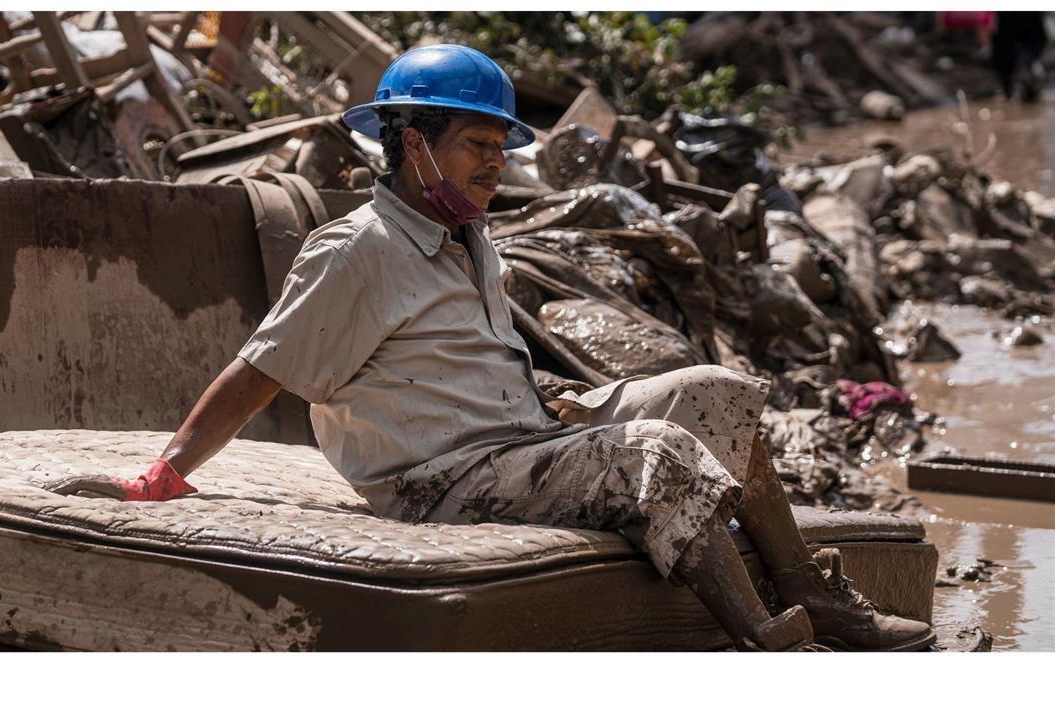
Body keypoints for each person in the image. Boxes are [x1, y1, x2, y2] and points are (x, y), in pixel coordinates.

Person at [48, 44, 934, 652]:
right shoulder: (359, 249)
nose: (495, 164)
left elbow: (474, 359)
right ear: (412, 144)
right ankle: (765, 642)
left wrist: (560, 407)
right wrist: (164, 474)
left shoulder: (468, 237)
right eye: (476, 145)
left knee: (715, 391)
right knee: (658, 453)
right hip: (438, 483)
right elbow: (262, 367)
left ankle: (810, 594)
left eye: (499, 147)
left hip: (517, 445)